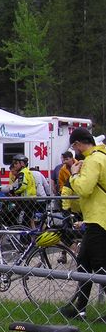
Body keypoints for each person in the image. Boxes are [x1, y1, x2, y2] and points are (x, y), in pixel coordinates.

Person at [60, 127, 106, 321]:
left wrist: (73, 175)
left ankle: (80, 309)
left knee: (100, 266)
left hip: (99, 219)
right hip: (96, 218)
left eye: (74, 146)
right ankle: (79, 308)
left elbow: (85, 189)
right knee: (84, 264)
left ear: (78, 144)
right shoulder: (100, 157)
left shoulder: (93, 160)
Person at [0, 154, 36, 227]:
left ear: (22, 164)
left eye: (16, 163)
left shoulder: (22, 173)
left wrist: (13, 191)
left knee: (22, 222)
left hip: (25, 201)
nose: (15, 165)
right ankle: (26, 237)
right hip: (31, 200)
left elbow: (21, 186)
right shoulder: (28, 172)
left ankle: (23, 238)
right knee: (27, 222)